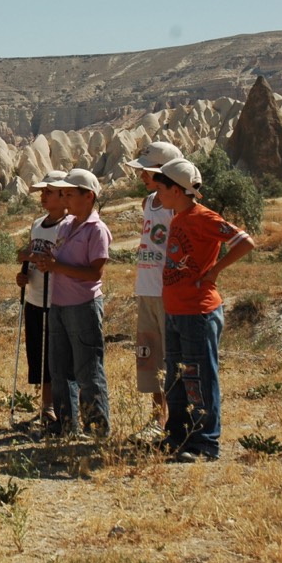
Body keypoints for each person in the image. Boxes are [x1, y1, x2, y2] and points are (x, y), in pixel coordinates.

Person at [155, 157, 255, 462]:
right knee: (175, 376)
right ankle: (177, 436)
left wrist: (215, 271)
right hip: (176, 310)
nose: (157, 195)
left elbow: (245, 241)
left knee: (199, 378)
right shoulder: (176, 219)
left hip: (198, 312)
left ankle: (205, 443)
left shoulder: (204, 217)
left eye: (160, 188)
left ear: (175, 190)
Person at [35, 169, 112, 439]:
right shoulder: (67, 226)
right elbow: (58, 258)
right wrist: (48, 262)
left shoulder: (97, 230)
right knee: (59, 369)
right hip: (59, 304)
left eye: (69, 193)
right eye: (63, 193)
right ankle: (67, 425)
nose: (64, 198)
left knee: (88, 369)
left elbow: (95, 272)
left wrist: (57, 266)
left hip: (83, 305)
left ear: (88, 196)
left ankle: (96, 428)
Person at [124, 141, 183, 443]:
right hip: (146, 288)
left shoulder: (176, 205)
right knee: (150, 356)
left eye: (147, 171)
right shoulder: (149, 202)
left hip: (168, 291)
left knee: (173, 356)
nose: (142, 176)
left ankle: (176, 421)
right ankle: (156, 419)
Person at [14, 169, 70, 431]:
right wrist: (23, 274)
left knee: (55, 357)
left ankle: (60, 410)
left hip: (56, 298)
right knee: (38, 356)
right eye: (42, 192)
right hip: (34, 297)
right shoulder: (38, 223)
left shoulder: (68, 226)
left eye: (48, 192)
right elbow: (29, 253)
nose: (43, 197)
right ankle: (46, 408)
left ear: (63, 194)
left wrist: (31, 257)